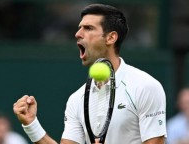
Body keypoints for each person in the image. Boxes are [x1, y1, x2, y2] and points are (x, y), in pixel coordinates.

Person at [13, 3, 167, 144]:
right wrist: (31, 124)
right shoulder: (76, 100)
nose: (78, 34)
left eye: (88, 28)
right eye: (80, 28)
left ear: (111, 37)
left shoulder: (146, 87)